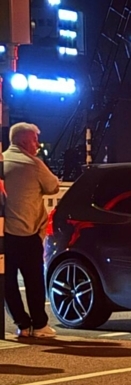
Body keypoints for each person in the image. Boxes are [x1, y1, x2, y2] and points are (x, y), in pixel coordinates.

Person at [3, 122, 61, 339]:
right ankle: (39, 324)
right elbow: (53, 186)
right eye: (35, 140)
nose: (37, 145)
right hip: (27, 232)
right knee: (34, 280)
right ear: (25, 142)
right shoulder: (33, 165)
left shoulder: (2, 162)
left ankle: (21, 323)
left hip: (4, 233)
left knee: (8, 281)